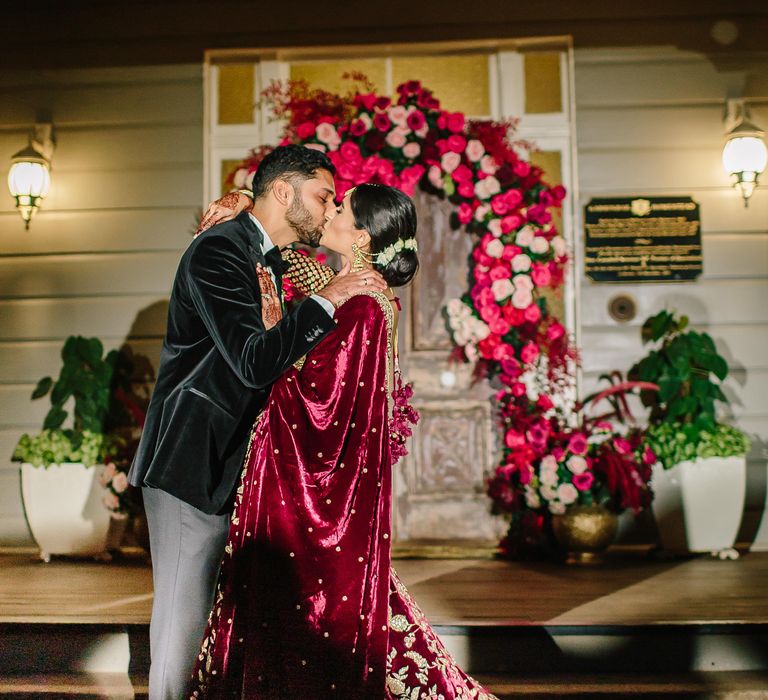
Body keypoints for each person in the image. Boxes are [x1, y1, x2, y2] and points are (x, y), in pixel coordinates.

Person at [189, 184, 497, 699]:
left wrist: (270, 338)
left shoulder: (361, 306)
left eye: (340, 207)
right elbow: (300, 273)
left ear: (360, 234)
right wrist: (251, 212)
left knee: (317, 607)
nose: (329, 211)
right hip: (329, 488)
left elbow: (321, 403)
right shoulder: (354, 289)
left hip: (315, 491)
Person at [127, 145, 387, 700]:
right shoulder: (217, 251)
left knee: (216, 626)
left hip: (240, 471)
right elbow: (252, 359)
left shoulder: (269, 255)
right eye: (323, 196)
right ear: (285, 192)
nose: (330, 209)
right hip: (192, 460)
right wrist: (328, 299)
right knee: (183, 620)